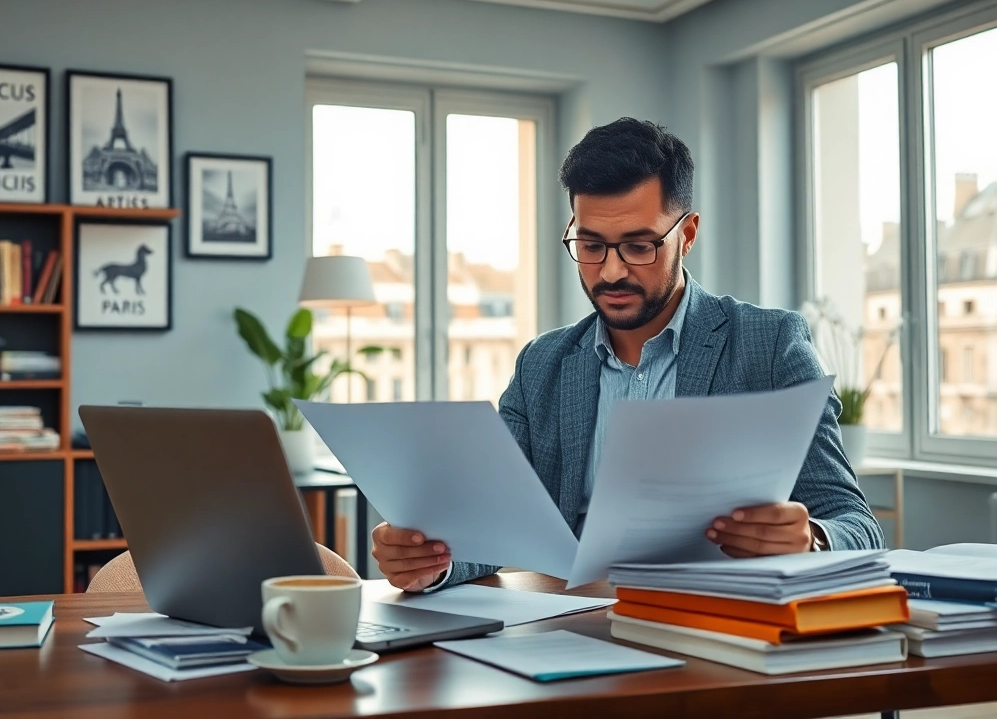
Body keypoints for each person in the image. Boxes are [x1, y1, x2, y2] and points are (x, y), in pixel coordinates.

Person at [372, 118, 884, 592]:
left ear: (687, 234)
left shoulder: (769, 346)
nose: (611, 272)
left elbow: (857, 525)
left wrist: (812, 539)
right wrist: (431, 561)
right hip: (569, 625)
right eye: (591, 245)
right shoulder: (541, 366)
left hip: (712, 627)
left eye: (639, 247)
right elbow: (494, 524)